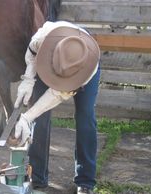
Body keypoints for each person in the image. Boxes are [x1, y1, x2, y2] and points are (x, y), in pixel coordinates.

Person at [13, 21, 101, 194]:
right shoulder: (42, 38)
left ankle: (85, 182)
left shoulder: (87, 70)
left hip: (82, 70)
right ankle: (36, 176)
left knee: (86, 118)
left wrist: (26, 117)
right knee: (40, 119)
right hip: (51, 59)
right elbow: (31, 54)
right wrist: (28, 79)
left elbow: (56, 95)